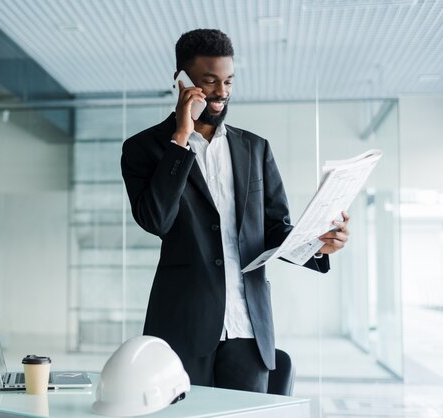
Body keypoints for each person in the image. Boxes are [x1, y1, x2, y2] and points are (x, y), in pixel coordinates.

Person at [120, 29, 350, 393]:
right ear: (181, 81)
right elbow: (155, 219)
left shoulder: (255, 149)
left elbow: (275, 229)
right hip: (182, 329)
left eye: (228, 81)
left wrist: (316, 243)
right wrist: (180, 140)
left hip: (249, 328)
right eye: (209, 81)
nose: (221, 92)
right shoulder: (144, 149)